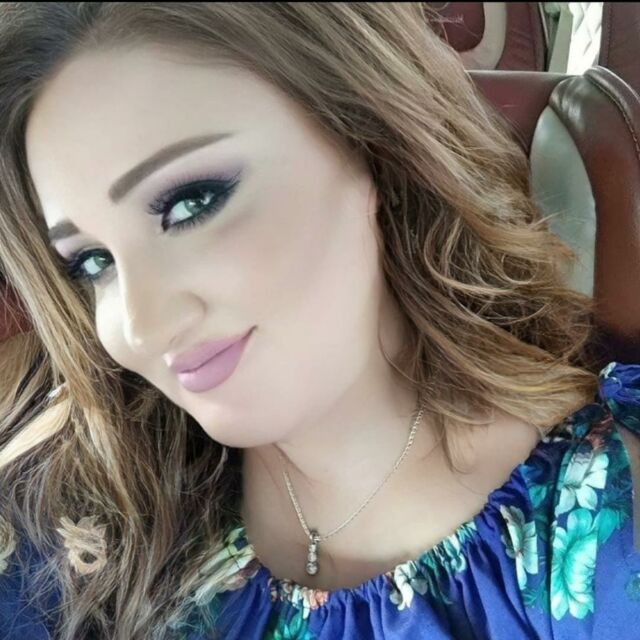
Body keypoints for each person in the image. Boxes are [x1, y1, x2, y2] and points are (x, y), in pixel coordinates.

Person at [0, 3, 638, 639]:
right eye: (92, 262)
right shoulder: (72, 509)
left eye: (191, 204)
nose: (141, 327)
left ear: (370, 145)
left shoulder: (604, 531)